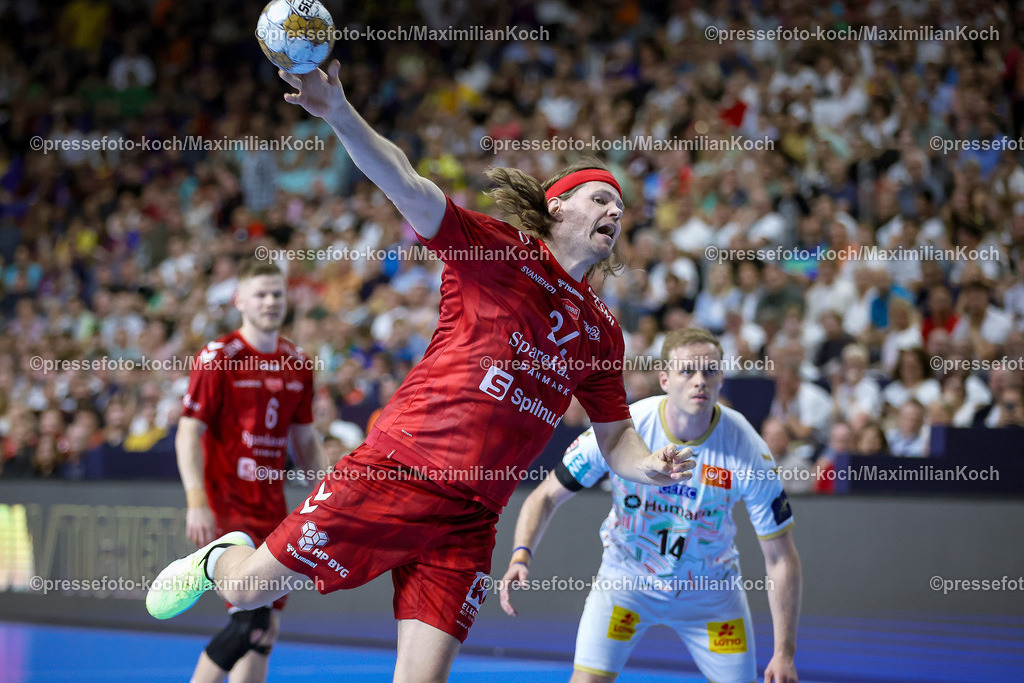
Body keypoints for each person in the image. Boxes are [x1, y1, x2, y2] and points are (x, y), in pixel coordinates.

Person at [147, 61, 693, 683]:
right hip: (400, 470)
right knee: (247, 592)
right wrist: (339, 114)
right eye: (602, 198)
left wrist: (650, 464)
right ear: (558, 204)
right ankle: (222, 554)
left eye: (621, 208)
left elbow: (616, 438)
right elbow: (405, 183)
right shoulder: (494, 252)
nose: (615, 213)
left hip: (472, 515)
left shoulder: (601, 331)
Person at [499, 328, 801, 683]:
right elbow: (545, 495)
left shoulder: (747, 447)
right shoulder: (624, 428)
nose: (699, 381)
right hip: (626, 583)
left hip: (710, 595)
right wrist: (520, 556)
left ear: (722, 377)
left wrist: (784, 653)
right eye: (687, 371)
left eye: (710, 370)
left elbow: (781, 557)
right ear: (665, 379)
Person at [176, 259, 328, 683]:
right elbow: (188, 434)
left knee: (265, 631)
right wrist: (196, 503)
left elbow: (305, 440)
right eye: (260, 294)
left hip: (273, 508)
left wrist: (330, 493)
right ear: (239, 299)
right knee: (250, 622)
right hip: (228, 506)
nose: (270, 302)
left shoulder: (297, 361)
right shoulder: (218, 357)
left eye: (277, 294)